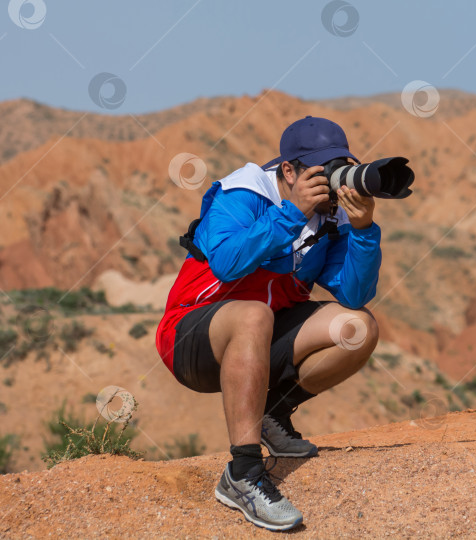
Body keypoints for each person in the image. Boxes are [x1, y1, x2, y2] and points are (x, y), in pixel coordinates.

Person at [155, 116, 382, 531]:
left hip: (260, 338)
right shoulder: (242, 193)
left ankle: (273, 413)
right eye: (321, 172)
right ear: (289, 171)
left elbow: (354, 294)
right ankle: (242, 474)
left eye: (338, 169)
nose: (331, 182)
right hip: (189, 336)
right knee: (253, 313)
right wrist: (292, 214)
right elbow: (227, 263)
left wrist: (363, 229)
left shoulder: (331, 218)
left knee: (358, 328)